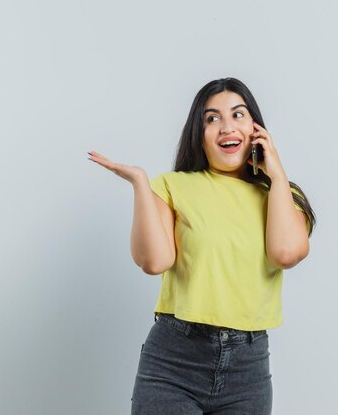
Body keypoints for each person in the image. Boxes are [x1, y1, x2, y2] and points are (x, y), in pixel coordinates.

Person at [87, 77, 316, 415]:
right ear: (199, 133)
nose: (226, 127)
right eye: (212, 118)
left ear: (256, 127)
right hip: (173, 363)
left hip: (247, 371)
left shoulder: (282, 195)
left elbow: (285, 253)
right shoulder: (171, 186)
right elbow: (154, 261)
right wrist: (139, 183)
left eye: (238, 115)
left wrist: (278, 176)